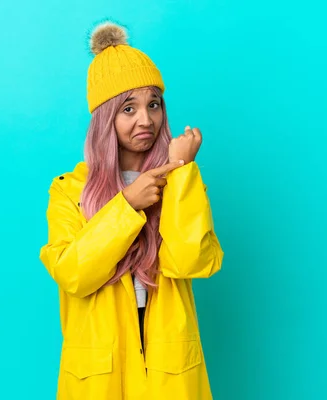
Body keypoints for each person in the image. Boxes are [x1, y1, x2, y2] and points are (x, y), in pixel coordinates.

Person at [39, 20, 224, 400]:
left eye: (153, 104)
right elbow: (73, 273)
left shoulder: (180, 182)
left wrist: (182, 171)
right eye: (129, 108)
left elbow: (191, 262)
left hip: (169, 367)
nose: (146, 119)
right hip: (99, 373)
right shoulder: (68, 191)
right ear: (106, 117)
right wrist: (127, 205)